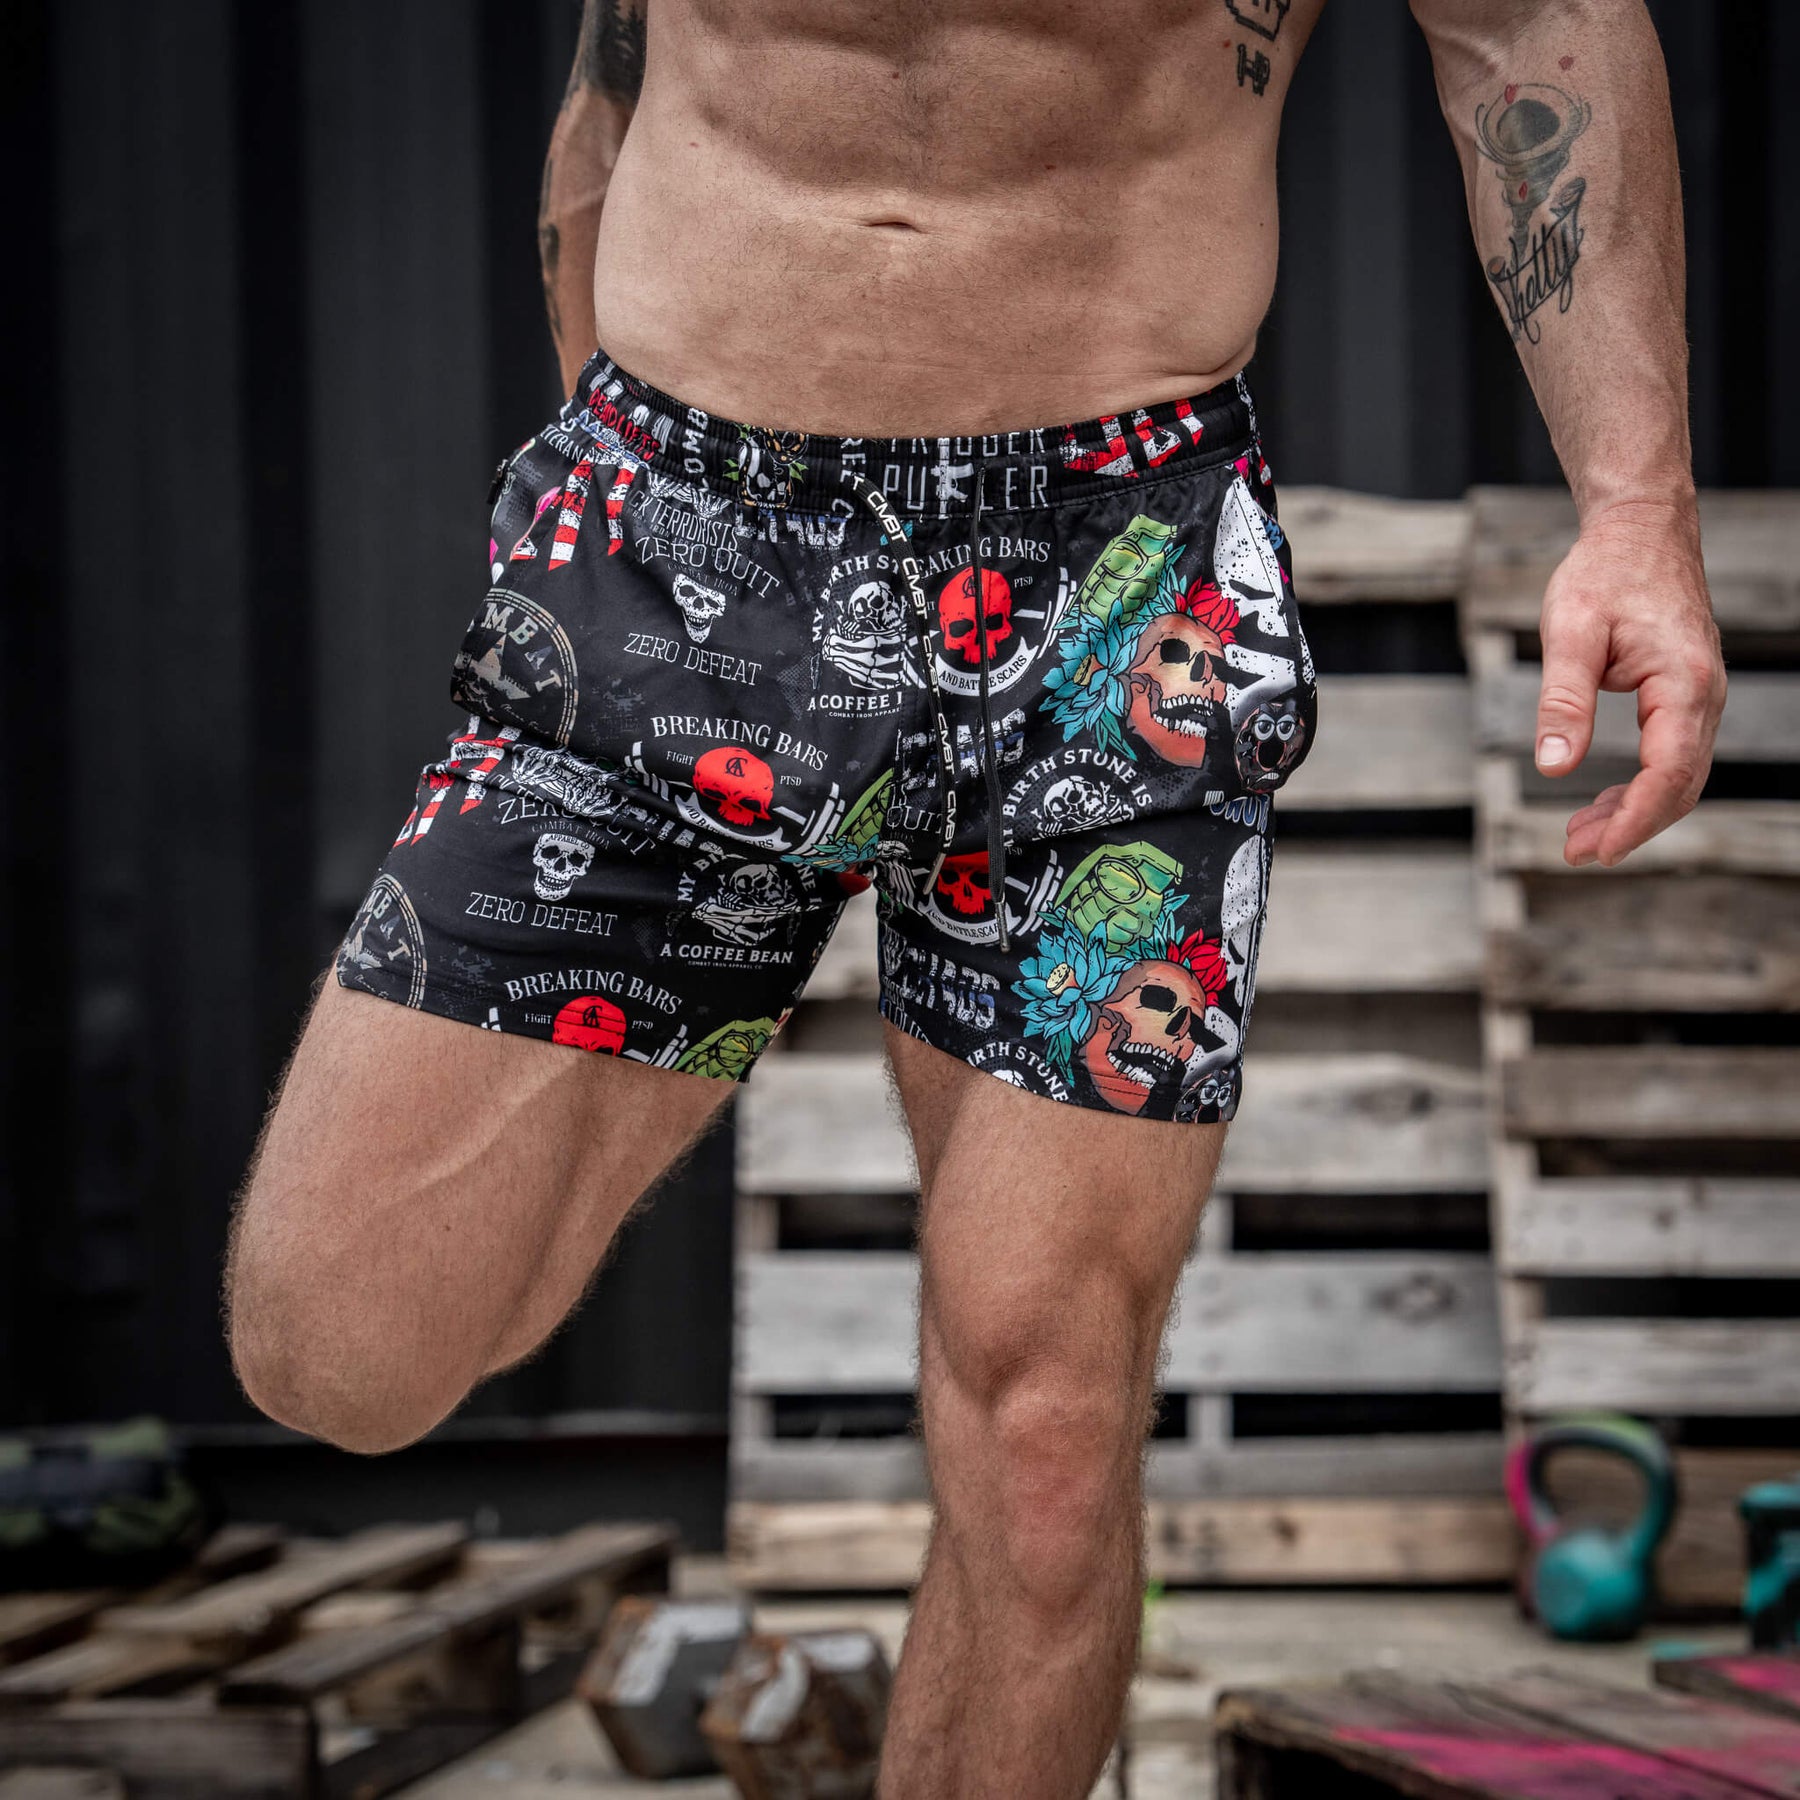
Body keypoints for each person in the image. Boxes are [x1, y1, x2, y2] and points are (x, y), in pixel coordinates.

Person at [226, 2, 1726, 1792]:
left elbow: (1533, 21)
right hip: (683, 515)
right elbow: (625, 47)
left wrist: (1637, 508)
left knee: (1049, 1442)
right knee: (339, 1344)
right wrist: (596, 483)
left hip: (1118, 566)